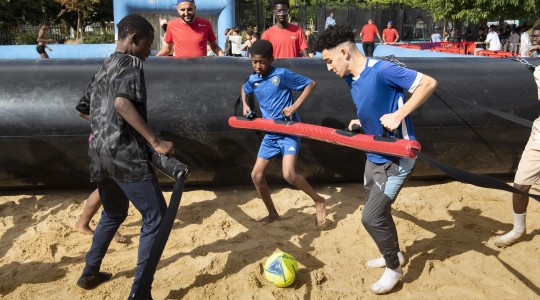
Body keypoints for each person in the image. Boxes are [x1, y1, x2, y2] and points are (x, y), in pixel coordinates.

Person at [315, 25, 437, 294]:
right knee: (380, 212)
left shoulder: (383, 70)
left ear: (344, 53)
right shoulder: (350, 78)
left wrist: (399, 115)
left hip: (397, 158)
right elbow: (373, 103)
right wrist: (363, 121)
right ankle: (392, 252)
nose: (328, 68)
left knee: (371, 218)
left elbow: (428, 83)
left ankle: (394, 268)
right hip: (373, 155)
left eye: (329, 61)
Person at [75, 14, 174, 299]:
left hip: (98, 153)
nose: (150, 52)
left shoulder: (105, 65)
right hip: (125, 155)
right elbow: (121, 102)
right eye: (147, 45)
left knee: (114, 212)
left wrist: (104, 125)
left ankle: (90, 273)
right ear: (134, 39)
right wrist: (155, 141)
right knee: (156, 217)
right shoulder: (131, 63)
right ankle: (140, 292)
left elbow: (82, 108)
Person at [240, 39, 326, 226]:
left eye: (262, 62)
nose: (257, 66)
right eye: (254, 62)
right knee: (256, 175)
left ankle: (318, 200)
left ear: (271, 59)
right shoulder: (253, 79)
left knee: (289, 174)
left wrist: (294, 106)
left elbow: (310, 84)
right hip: (271, 133)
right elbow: (244, 88)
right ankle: (273, 214)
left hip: (289, 131)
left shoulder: (282, 75)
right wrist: (246, 105)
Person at [493, 25, 540, 248]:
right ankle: (518, 230)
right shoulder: (538, 67)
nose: (534, 41)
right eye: (533, 37)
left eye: (537, 37)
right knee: (520, 183)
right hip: (539, 133)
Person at [156, 0, 224, 57]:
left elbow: (214, 46)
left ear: (194, 8)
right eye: (182, 10)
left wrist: (224, 58)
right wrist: (153, 60)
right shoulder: (171, 25)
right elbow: (167, 49)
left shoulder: (206, 23)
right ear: (178, 10)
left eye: (189, 9)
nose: (186, 13)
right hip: (181, 68)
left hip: (201, 68)